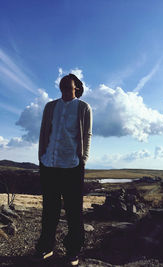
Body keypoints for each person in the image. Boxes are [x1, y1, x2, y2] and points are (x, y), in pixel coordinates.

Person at [31, 73, 93, 265]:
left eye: (69, 87)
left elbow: (87, 134)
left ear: (77, 88)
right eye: (62, 87)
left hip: (72, 165)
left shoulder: (83, 107)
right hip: (49, 163)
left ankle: (73, 251)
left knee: (74, 211)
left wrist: (83, 159)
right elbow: (43, 131)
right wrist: (41, 156)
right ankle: (46, 246)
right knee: (50, 209)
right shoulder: (50, 106)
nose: (65, 90)